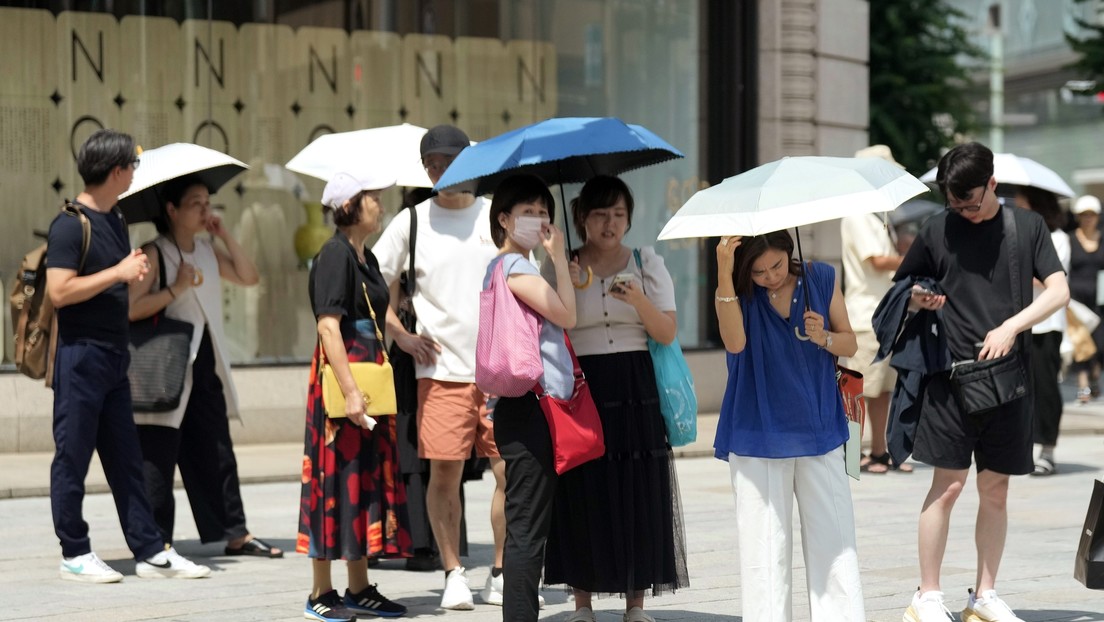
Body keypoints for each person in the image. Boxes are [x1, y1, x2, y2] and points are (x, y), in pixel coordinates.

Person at [892, 142, 1068, 622]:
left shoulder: (1025, 227)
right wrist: (920, 299)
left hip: (1008, 380)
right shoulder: (937, 227)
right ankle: (927, 596)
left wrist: (1012, 325)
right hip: (950, 380)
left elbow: (1059, 290)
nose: (963, 212)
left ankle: (983, 596)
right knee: (947, 487)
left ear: (992, 184)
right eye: (954, 203)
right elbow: (905, 290)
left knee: (996, 490)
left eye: (970, 201)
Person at [46, 128, 210, 582]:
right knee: (72, 457)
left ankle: (150, 549)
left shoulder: (116, 219)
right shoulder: (69, 224)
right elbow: (59, 291)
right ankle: (74, 552)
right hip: (80, 357)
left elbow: (111, 282)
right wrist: (117, 271)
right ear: (116, 171)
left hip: (117, 357)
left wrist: (129, 273)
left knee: (127, 459)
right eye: (132, 166)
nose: (136, 173)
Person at [540, 176, 688, 622]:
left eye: (619, 214)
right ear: (581, 217)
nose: (610, 223)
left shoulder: (647, 261)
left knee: (638, 489)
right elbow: (547, 330)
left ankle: (635, 603)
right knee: (584, 489)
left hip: (634, 383)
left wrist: (639, 299)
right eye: (600, 214)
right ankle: (582, 601)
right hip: (583, 384)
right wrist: (562, 275)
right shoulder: (560, 264)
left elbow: (667, 331)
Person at [373, 124, 509, 609]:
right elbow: (370, 286)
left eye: (449, 161)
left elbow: (528, 278)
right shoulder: (410, 221)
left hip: (500, 372)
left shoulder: (497, 216)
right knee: (444, 476)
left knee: (508, 473)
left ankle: (500, 570)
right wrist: (402, 336)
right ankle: (453, 572)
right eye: (432, 164)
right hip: (439, 373)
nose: (440, 171)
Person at [713, 230, 864, 622]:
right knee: (764, 552)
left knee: (836, 546)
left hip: (820, 427)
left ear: (789, 251)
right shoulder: (740, 292)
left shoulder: (820, 277)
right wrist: (724, 273)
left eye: (777, 265)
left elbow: (850, 343)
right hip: (756, 430)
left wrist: (825, 336)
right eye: (759, 270)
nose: (770, 276)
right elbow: (734, 344)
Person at [127, 176, 282, 558]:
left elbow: (249, 276)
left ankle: (235, 533)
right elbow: (129, 308)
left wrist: (225, 234)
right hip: (165, 363)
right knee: (158, 453)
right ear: (172, 210)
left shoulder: (208, 251)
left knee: (216, 449)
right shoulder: (153, 252)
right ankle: (155, 538)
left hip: (205, 361)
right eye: (195, 203)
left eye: (206, 202)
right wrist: (175, 290)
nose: (204, 210)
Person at [297, 169, 409, 621]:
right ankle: (320, 591)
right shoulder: (334, 255)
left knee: (361, 481)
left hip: (369, 381)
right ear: (349, 206)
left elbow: (377, 316)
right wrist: (350, 392)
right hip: (345, 383)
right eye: (372, 198)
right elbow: (328, 326)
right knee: (333, 480)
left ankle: (359, 586)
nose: (380, 205)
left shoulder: (366, 258)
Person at [483, 174, 576, 622]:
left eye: (544, 211)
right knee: (526, 531)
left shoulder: (496, 268)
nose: (539, 219)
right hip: (533, 407)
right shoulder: (516, 267)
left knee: (527, 524)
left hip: (517, 406)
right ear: (503, 218)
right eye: (528, 212)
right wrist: (557, 257)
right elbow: (568, 315)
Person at [840, 145, 912, 474]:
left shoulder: (875, 214)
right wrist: (913, 257)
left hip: (882, 314)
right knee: (858, 390)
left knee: (881, 390)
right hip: (865, 316)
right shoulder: (857, 212)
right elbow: (878, 261)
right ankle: (852, 456)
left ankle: (878, 453)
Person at [1013, 186, 1071, 476]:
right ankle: (1024, 447)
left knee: (1046, 389)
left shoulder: (1059, 239)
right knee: (1021, 391)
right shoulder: (1016, 236)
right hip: (1019, 324)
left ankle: (1047, 449)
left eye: (1022, 203)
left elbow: (1051, 280)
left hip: (1047, 325)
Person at [1067, 195, 1104, 404]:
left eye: (1091, 215)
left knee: (1098, 345)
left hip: (1100, 301)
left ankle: (1095, 376)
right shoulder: (1070, 239)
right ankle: (1083, 387)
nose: (1088, 219)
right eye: (1084, 215)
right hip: (1076, 301)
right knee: (1081, 342)